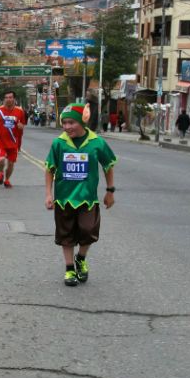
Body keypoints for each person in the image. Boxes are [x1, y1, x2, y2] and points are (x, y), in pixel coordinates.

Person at [44, 103, 117, 287]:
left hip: (87, 198)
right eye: (65, 123)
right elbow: (49, 169)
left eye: (71, 123)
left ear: (82, 122)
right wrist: (48, 194)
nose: (67, 127)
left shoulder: (97, 142)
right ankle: (69, 269)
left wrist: (110, 191)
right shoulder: (59, 143)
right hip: (64, 198)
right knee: (65, 234)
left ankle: (80, 258)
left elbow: (108, 165)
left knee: (88, 231)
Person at [0, 91, 27, 188]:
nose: (8, 99)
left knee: (10, 164)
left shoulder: (20, 111)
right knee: (1, 160)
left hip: (14, 142)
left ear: (14, 99)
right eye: (6, 97)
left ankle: (7, 180)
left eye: (10, 97)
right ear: (4, 99)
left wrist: (20, 126)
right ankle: (1, 172)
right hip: (1, 140)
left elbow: (23, 125)